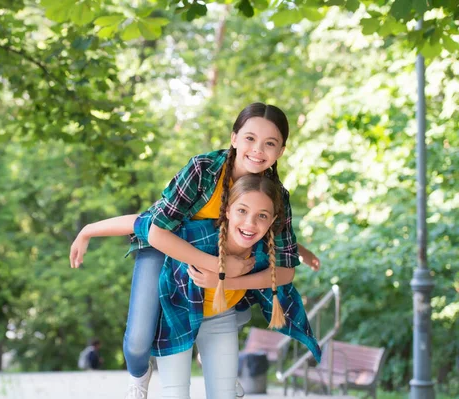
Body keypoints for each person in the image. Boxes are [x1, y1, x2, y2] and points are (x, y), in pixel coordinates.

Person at [70, 102, 320, 398]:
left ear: (280, 151)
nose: (258, 150)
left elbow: (279, 248)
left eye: (270, 143)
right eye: (250, 138)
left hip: (223, 262)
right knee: (138, 339)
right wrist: (219, 267)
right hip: (166, 244)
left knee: (253, 274)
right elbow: (153, 227)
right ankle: (139, 374)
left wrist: (292, 249)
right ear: (234, 138)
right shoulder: (203, 170)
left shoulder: (276, 194)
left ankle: (219, 366)